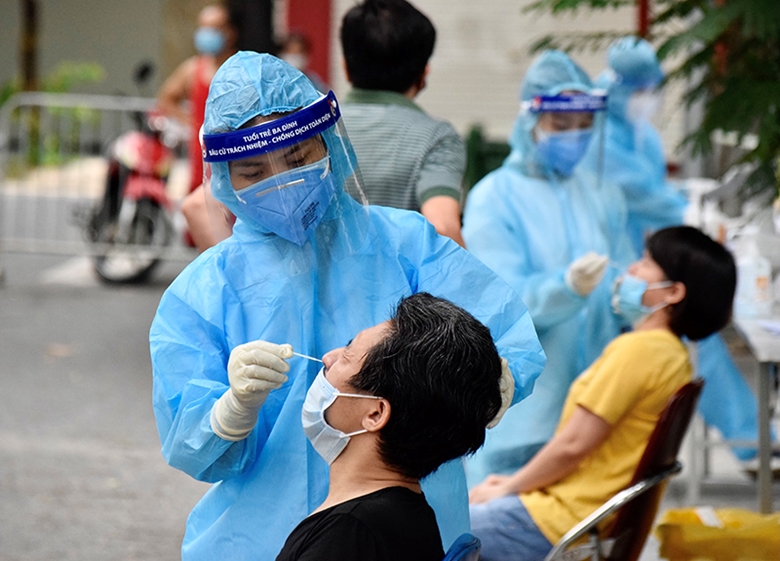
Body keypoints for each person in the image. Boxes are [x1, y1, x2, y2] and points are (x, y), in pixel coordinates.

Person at [149, 51, 546, 561]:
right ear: (225, 179)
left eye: (297, 159)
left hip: (401, 533)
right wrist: (231, 409)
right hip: (266, 540)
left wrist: (491, 383)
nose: (281, 181)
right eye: (253, 171)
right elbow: (192, 443)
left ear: (330, 144)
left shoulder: (408, 246)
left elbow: (504, 340)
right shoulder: (202, 292)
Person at [468, 226, 738, 561]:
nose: (632, 269)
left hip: (558, 523)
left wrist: (508, 488)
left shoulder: (639, 351)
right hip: (588, 520)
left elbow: (572, 446)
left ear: (672, 292)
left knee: (435, 530)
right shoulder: (673, 356)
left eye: (646, 262)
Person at [586, 36, 771, 470]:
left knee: (693, 346)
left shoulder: (641, 134)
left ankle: (756, 442)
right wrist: (687, 211)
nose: (650, 98)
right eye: (643, 90)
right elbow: (641, 193)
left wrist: (688, 202)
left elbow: (653, 191)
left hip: (641, 264)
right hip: (608, 267)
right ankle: (755, 443)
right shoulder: (598, 137)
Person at [461, 50, 635, 487]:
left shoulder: (601, 193)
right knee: (505, 517)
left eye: (584, 125)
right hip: (526, 412)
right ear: (531, 120)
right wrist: (566, 287)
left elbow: (626, 270)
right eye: (561, 125)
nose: (574, 136)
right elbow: (501, 303)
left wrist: (632, 295)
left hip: (596, 405)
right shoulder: (494, 198)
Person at [276, 293, 503, 561]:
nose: (328, 358)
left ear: (375, 413)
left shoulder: (347, 536)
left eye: (347, 355)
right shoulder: (403, 518)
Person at [339, 0, 467, 246]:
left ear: (345, 67)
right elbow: (443, 228)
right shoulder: (437, 138)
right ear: (424, 74)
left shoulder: (312, 129)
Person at [157, 3, 239, 195]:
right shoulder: (193, 69)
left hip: (235, 159)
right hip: (201, 160)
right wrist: (191, 123)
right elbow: (166, 98)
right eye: (203, 28)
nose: (206, 34)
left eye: (213, 28)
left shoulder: (241, 67)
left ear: (230, 32)